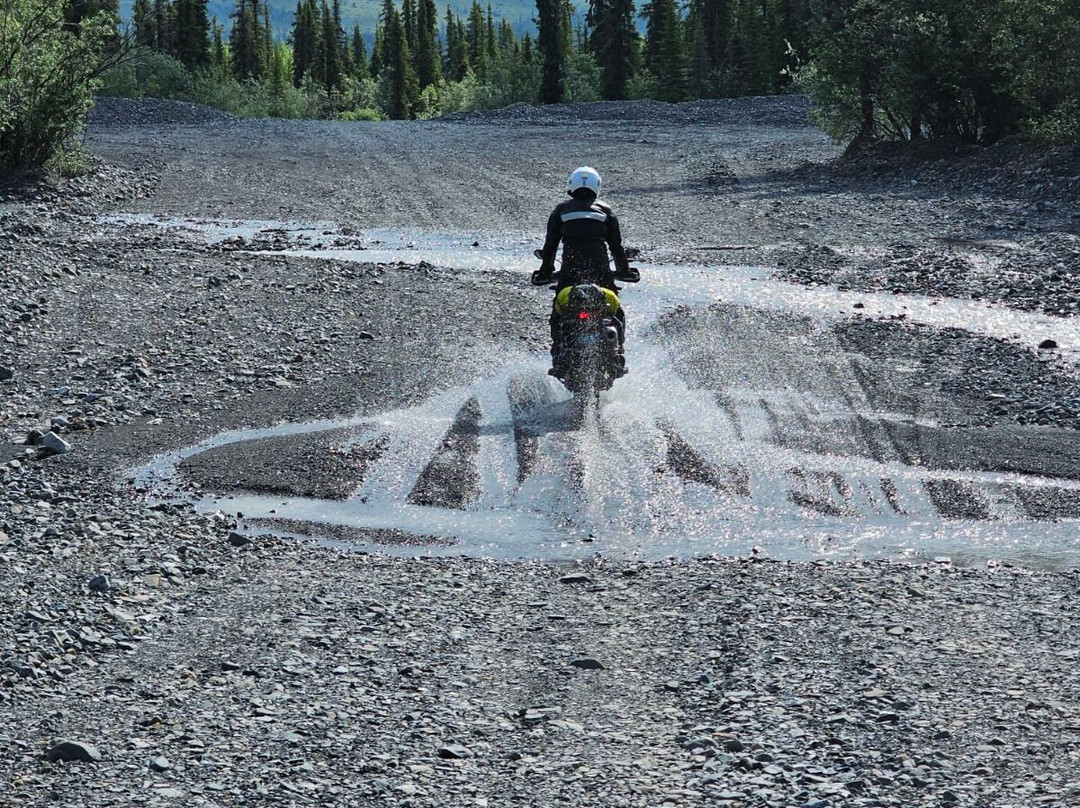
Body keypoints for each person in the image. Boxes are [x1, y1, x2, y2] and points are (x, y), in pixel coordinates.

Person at [531, 166, 638, 377]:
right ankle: (619, 355)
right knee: (616, 313)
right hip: (602, 277)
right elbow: (616, 247)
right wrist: (625, 272)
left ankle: (559, 357)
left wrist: (544, 273)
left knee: (558, 315)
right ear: (597, 187)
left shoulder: (560, 211)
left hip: (570, 277)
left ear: (572, 186)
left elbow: (550, 248)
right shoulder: (606, 212)